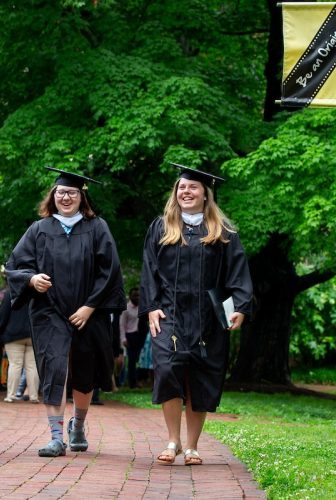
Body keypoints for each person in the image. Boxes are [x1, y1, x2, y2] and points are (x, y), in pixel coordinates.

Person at [5, 167, 125, 457]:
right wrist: (32, 279)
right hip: (49, 311)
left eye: (72, 192)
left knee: (85, 370)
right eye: (61, 192)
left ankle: (78, 426)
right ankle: (56, 437)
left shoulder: (96, 228)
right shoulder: (39, 229)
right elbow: (15, 265)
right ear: (53, 195)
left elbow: (109, 271)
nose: (66, 197)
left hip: (88, 312)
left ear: (82, 196)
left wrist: (90, 306)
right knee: (53, 367)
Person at [140, 164, 253, 466]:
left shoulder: (222, 231)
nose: (186, 192)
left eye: (193, 187)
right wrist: (151, 306)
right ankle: (172, 440)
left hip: (208, 317)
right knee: (168, 370)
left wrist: (240, 306)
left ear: (205, 194)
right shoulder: (161, 227)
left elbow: (238, 272)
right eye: (181, 187)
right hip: (170, 314)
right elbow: (149, 269)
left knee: (200, 378)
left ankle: (192, 446)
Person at [0, 288, 40, 403]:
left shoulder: (11, 292)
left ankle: (10, 395)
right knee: (32, 366)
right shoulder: (37, 292)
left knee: (15, 365)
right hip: (32, 334)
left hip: (13, 334)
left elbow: (3, 313)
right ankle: (34, 396)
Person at [121, 288, 145, 389]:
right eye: (135, 295)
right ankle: (132, 383)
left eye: (139, 295)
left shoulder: (142, 307)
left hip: (141, 335)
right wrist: (123, 339)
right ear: (130, 296)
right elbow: (121, 325)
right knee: (131, 360)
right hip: (130, 336)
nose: (137, 297)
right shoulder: (126, 308)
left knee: (140, 359)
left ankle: (139, 380)